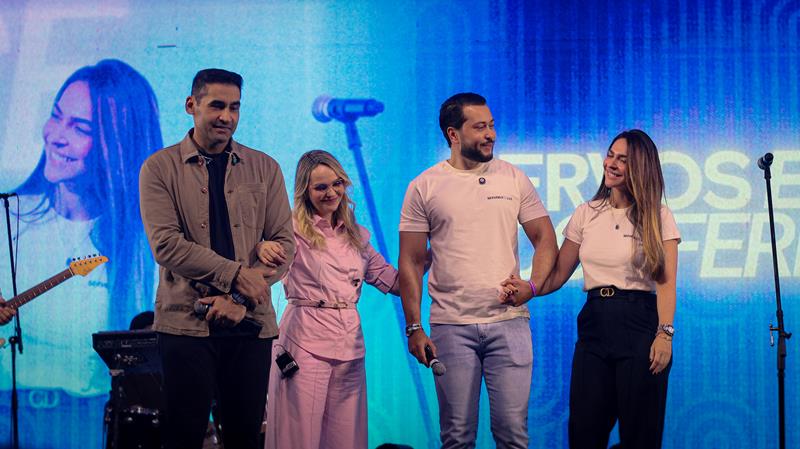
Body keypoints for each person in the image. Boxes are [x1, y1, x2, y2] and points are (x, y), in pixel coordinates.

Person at [0, 59, 162, 448]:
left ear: (118, 144)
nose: (57, 136)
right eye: (57, 116)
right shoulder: (9, 216)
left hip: (88, 417)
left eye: (81, 128)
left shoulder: (147, 244)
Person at [138, 68, 295, 449]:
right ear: (191, 105)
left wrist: (238, 298)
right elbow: (166, 245)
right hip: (185, 325)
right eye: (217, 106)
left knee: (246, 439)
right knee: (183, 438)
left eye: (235, 107)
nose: (227, 116)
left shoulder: (265, 167)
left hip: (250, 323)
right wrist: (237, 274)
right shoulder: (159, 168)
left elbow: (284, 245)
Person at [398, 92, 557, 449]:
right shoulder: (424, 186)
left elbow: (545, 238)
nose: (491, 135)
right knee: (457, 436)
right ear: (453, 134)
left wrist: (532, 285)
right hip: (451, 326)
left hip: (510, 323)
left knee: (513, 434)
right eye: (480, 127)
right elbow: (410, 261)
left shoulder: (513, 177)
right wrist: (414, 326)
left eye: (492, 126)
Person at [517, 129, 679, 449]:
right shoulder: (586, 213)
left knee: (640, 437)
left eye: (623, 160)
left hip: (641, 325)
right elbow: (558, 274)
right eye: (610, 155)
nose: (612, 164)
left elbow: (666, 282)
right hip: (594, 323)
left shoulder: (659, 216)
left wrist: (665, 334)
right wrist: (530, 288)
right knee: (585, 432)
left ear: (641, 168)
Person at [262, 150, 400, 449]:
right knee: (298, 437)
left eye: (337, 184)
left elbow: (395, 282)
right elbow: (264, 274)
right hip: (304, 341)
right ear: (305, 191)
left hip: (350, 344)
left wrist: (432, 253)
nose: (331, 192)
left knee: (346, 438)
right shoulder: (290, 231)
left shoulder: (356, 236)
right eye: (321, 187)